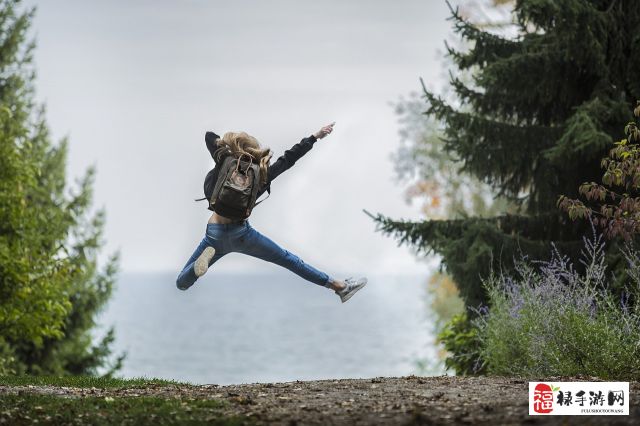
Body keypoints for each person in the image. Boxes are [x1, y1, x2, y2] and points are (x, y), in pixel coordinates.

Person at [176, 122, 367, 303]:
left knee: (181, 283)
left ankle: (196, 269)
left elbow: (209, 136)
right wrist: (314, 137)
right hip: (242, 235)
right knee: (289, 260)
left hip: (214, 234)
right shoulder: (260, 174)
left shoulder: (225, 161)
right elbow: (289, 159)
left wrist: (229, 149)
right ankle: (340, 287)